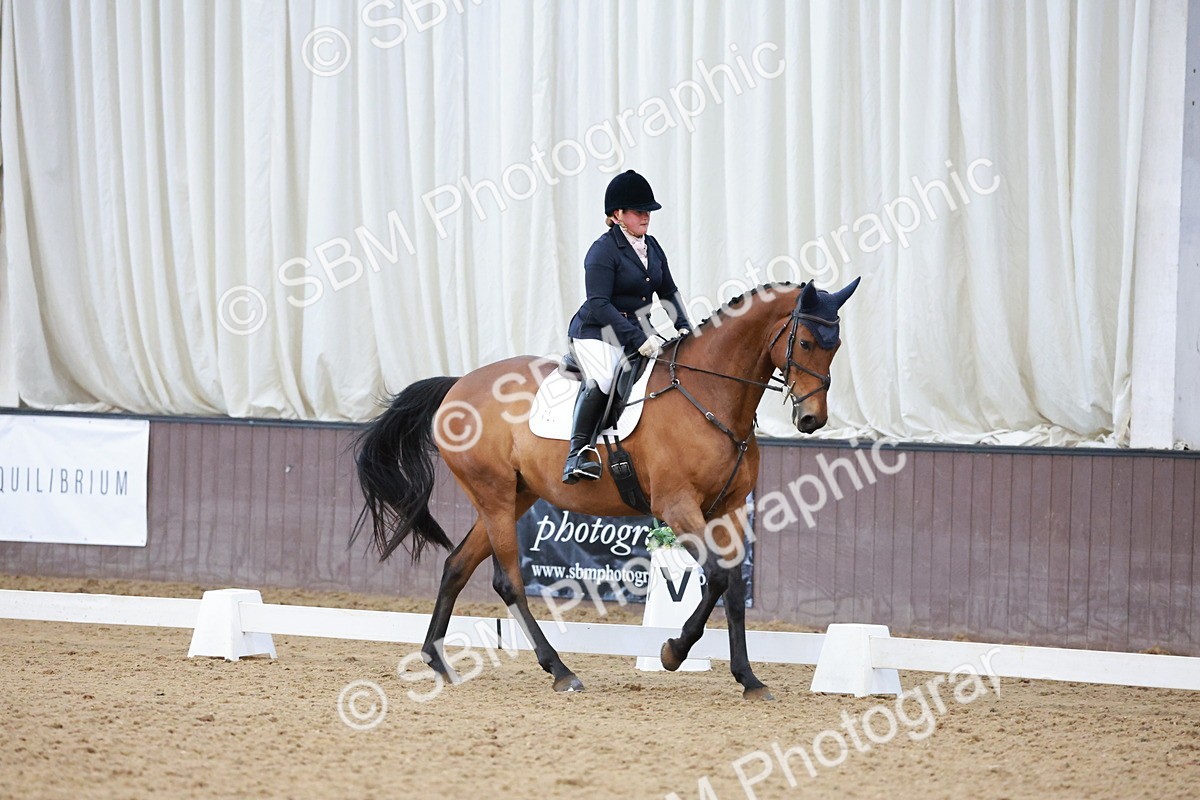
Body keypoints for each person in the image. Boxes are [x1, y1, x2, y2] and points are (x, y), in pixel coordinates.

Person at [562, 170, 692, 484]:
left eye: (648, 211)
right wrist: (637, 337)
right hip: (597, 330)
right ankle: (577, 453)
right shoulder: (603, 251)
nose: (646, 216)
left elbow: (668, 291)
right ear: (618, 215)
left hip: (635, 328)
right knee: (605, 376)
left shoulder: (653, 246)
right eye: (638, 211)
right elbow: (599, 304)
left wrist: (684, 327)